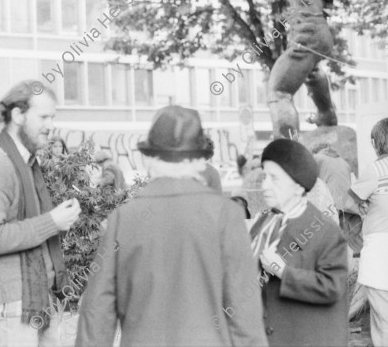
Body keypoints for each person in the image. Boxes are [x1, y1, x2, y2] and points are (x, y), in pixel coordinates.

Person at [76, 106, 268, 347]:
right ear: (200, 161)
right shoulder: (226, 216)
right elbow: (244, 313)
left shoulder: (124, 219)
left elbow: (96, 314)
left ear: (151, 160)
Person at [0, 79, 82, 347]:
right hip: (15, 304)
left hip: (36, 299)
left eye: (52, 117)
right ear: (18, 115)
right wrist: (51, 222)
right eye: (43, 116)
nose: (50, 125)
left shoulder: (24, 162)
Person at [249, 139, 348, 346]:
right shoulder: (263, 224)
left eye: (274, 179)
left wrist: (282, 270)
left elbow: (332, 287)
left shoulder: (325, 230)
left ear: (297, 185)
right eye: (265, 176)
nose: (265, 185)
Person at [348, 118, 388, 347]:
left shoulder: (376, 169)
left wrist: (363, 206)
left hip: (381, 251)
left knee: (385, 318)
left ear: (376, 142)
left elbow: (352, 200)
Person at [313, 143, 363, 254]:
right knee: (350, 236)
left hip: (332, 202)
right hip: (349, 203)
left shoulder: (317, 158)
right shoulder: (343, 161)